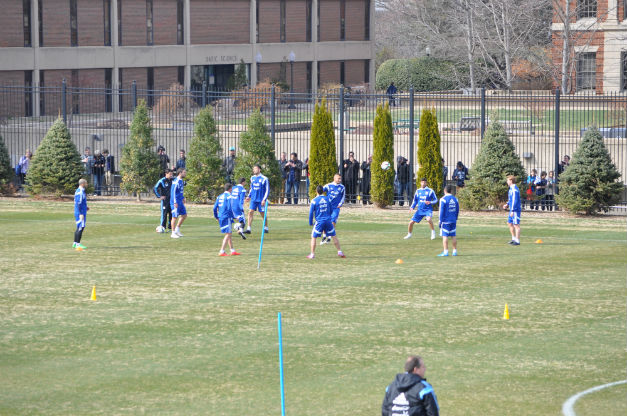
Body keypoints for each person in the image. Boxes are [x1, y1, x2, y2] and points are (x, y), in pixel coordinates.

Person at [307, 185, 345, 259]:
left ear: (316, 191)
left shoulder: (314, 200)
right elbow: (331, 210)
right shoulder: (328, 199)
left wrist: (310, 222)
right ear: (323, 191)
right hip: (328, 221)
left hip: (319, 221)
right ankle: (339, 251)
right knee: (334, 236)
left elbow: (311, 213)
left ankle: (312, 254)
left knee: (313, 237)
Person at [213, 183, 242, 257]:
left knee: (229, 233)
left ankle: (232, 250)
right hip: (226, 216)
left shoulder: (219, 196)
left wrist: (216, 216)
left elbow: (214, 208)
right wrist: (235, 217)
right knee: (228, 233)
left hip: (221, 216)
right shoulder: (229, 196)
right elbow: (230, 208)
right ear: (230, 189)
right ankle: (221, 251)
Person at [322, 174, 345, 244]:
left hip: (336, 208)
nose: (340, 180)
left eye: (340, 179)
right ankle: (324, 235)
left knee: (333, 221)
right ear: (334, 178)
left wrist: (340, 204)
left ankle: (329, 236)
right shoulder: (328, 186)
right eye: (338, 178)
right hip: (328, 207)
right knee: (325, 221)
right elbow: (320, 191)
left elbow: (343, 197)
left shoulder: (342, 187)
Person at [246, 164, 269, 234]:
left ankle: (266, 227)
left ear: (259, 169)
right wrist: (248, 196)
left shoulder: (264, 178)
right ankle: (248, 228)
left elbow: (267, 190)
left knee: (262, 213)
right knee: (250, 212)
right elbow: (251, 188)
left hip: (260, 200)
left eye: (255, 168)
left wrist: (264, 199)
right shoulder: (252, 178)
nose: (254, 170)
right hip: (253, 199)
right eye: (253, 169)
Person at [437, 185, 459, 257]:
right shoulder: (455, 199)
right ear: (451, 191)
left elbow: (441, 211)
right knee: (453, 235)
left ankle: (446, 252)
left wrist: (440, 221)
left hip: (445, 221)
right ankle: (454, 251)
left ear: (444, 190)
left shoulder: (443, 199)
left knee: (445, 236)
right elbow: (457, 210)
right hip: (453, 220)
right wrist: (455, 218)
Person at [503, 175, 521, 246]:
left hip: (515, 210)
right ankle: (513, 238)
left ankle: (517, 240)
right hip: (512, 209)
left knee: (516, 225)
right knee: (509, 223)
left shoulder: (514, 189)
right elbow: (511, 199)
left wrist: (513, 210)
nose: (507, 182)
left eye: (508, 180)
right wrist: (507, 204)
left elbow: (515, 200)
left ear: (511, 181)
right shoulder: (511, 189)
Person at [170, 168, 187, 238]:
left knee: (184, 215)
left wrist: (183, 198)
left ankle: (177, 229)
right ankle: (173, 233)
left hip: (180, 201)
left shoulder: (181, 181)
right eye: (184, 172)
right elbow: (173, 192)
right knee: (174, 217)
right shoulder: (176, 181)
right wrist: (174, 202)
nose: (185, 174)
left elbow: (179, 191)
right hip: (175, 202)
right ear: (180, 173)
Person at [73, 178, 89, 251]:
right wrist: (80, 213)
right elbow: (78, 203)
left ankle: (75, 243)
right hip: (80, 213)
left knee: (79, 227)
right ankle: (78, 244)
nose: (87, 184)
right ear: (82, 184)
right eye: (86, 183)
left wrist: (86, 207)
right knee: (81, 227)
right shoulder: (80, 192)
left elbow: (80, 202)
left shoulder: (80, 191)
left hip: (81, 211)